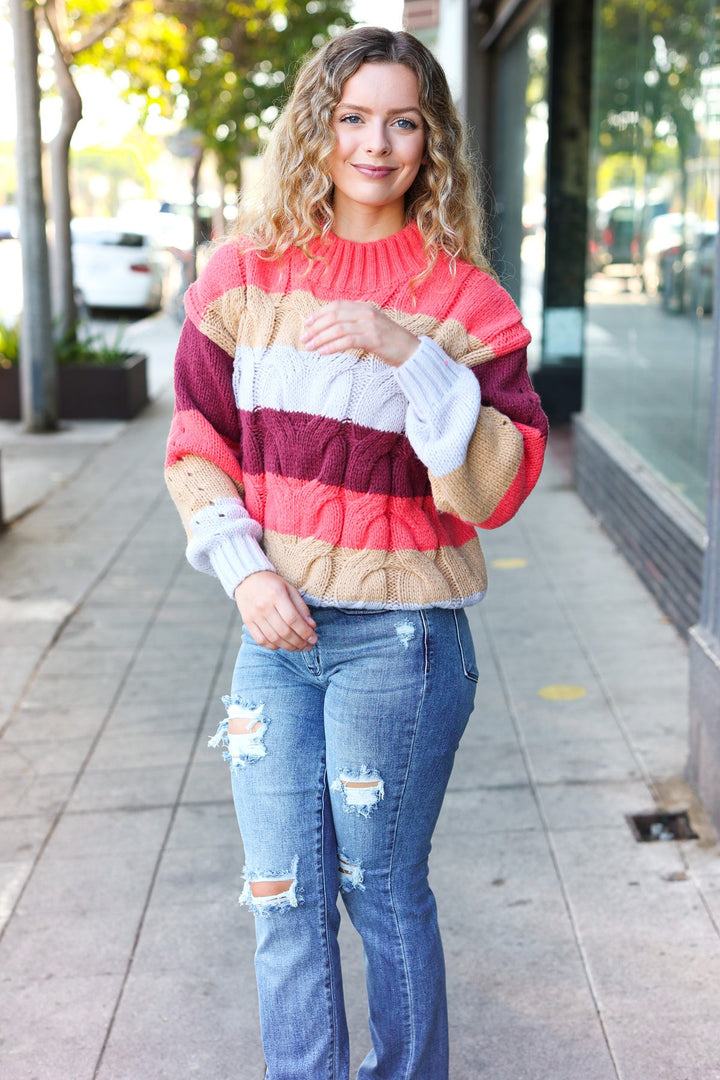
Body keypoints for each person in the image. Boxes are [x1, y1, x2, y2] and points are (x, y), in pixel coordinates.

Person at [165, 25, 547, 1080]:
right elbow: (196, 445)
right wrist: (245, 569)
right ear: (316, 128)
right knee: (282, 895)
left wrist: (407, 351)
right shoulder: (244, 275)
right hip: (275, 634)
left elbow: (499, 488)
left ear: (433, 140)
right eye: (353, 118)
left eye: (403, 122)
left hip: (403, 642)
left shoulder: (465, 299)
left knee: (380, 890)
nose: (376, 145)